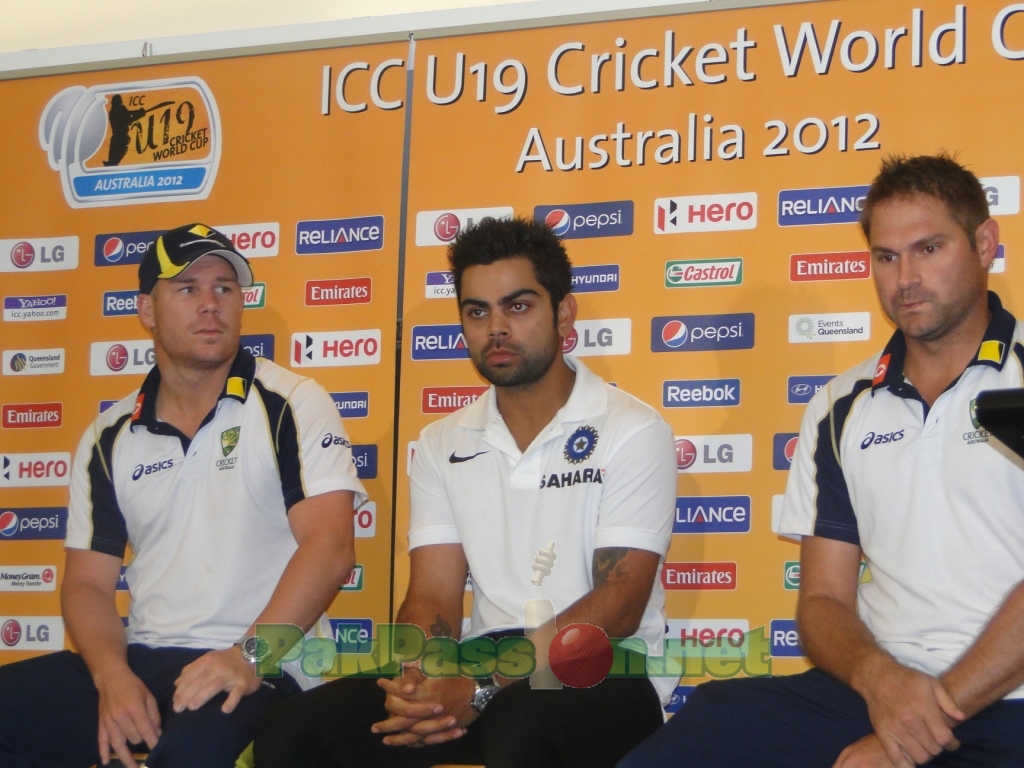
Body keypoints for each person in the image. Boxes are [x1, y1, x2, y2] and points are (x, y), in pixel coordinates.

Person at [617, 153, 1024, 768]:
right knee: (706, 731)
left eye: (929, 249)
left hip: (1010, 701)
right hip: (874, 692)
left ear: (984, 243)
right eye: (886, 257)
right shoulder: (841, 404)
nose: (905, 278)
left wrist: (916, 727)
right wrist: (882, 685)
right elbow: (824, 602)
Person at [254, 216, 678, 768]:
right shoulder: (440, 442)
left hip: (605, 671)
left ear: (564, 313)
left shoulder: (633, 430)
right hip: (487, 667)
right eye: (477, 312)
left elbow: (618, 606)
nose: (496, 328)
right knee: (295, 730)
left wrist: (481, 686)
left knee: (523, 728)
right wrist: (418, 676)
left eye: (518, 306)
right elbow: (432, 591)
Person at [0, 223, 366, 768]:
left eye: (224, 288)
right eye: (188, 289)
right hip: (144, 660)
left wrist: (247, 656)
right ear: (147, 309)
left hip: (262, 666)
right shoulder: (109, 433)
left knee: (190, 755)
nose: (211, 304)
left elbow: (332, 548)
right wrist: (112, 677)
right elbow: (86, 584)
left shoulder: (292, 403)